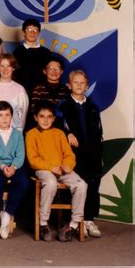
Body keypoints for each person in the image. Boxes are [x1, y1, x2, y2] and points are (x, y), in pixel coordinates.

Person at [26, 101, 87, 242]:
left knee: (82, 185)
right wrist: (51, 167)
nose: (46, 120)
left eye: (49, 117)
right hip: (44, 170)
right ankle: (43, 223)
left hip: (62, 169)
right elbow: (33, 159)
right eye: (42, 116)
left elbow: (69, 154)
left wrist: (67, 166)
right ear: (35, 117)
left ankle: (73, 224)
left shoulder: (59, 133)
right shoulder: (31, 134)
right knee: (51, 183)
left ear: (54, 118)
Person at [58, 70, 103, 238]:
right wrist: (67, 133)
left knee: (93, 186)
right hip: (73, 155)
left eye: (82, 83)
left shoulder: (93, 107)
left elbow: (99, 132)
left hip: (92, 153)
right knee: (76, 186)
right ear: (69, 85)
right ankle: (72, 221)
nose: (78, 85)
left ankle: (89, 219)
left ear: (87, 85)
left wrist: (100, 155)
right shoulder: (63, 106)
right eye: (75, 82)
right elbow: (56, 127)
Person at [0, 101, 30, 240]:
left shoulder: (17, 134)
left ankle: (8, 214)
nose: (4, 118)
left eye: (7, 115)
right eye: (0, 115)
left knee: (23, 182)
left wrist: (13, 167)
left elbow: (20, 154)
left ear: (12, 117)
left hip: (14, 165)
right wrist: (3, 167)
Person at [0, 54, 29, 131]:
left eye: (8, 66)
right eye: (2, 66)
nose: (5, 69)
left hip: (13, 133)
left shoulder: (20, 89)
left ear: (13, 68)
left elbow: (23, 116)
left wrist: (19, 134)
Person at [29, 55, 70, 130]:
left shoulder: (66, 90)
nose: (54, 71)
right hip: (41, 129)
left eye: (57, 68)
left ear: (61, 71)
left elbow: (68, 113)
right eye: (50, 68)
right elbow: (34, 111)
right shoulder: (38, 89)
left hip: (61, 129)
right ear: (44, 71)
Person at [13, 18, 52, 94]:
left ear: (39, 33)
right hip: (22, 91)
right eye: (29, 30)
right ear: (24, 32)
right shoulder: (17, 52)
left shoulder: (46, 53)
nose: (32, 33)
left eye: (35, 30)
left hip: (42, 92)